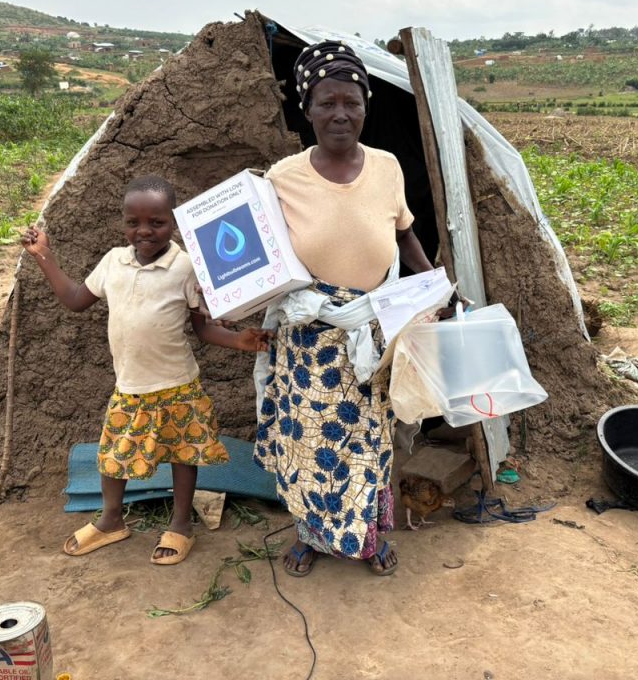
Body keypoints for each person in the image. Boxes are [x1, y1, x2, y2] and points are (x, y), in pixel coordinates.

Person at [22, 175, 271, 565]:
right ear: (122, 223)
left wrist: (239, 340)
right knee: (113, 455)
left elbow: (202, 328)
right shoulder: (112, 263)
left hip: (177, 384)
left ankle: (181, 523)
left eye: (156, 222)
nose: (144, 231)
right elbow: (74, 300)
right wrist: (44, 256)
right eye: (133, 222)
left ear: (172, 222)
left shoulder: (186, 267)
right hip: (131, 386)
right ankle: (110, 520)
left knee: (183, 454)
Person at [254, 41, 434, 577]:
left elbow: (406, 237)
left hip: (371, 335)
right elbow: (255, 259)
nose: (340, 114)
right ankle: (310, 535)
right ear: (306, 109)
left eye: (351, 102)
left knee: (370, 444)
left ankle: (370, 537)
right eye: (327, 102)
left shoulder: (387, 167)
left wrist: (438, 288)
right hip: (308, 339)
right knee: (307, 441)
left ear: (366, 105)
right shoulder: (281, 178)